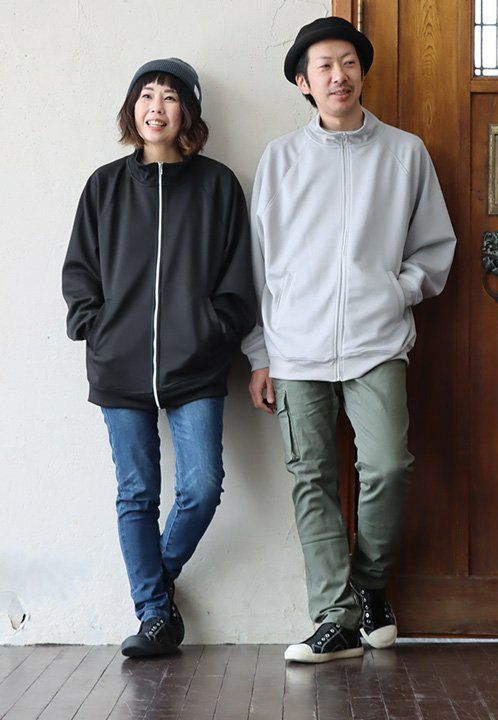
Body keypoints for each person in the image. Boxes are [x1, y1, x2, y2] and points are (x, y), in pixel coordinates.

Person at [242, 17, 456, 663]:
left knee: (388, 465)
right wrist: (260, 353)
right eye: (324, 67)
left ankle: (369, 584)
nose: (338, 76)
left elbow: (434, 248)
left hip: (376, 341)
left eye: (348, 63)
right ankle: (334, 619)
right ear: (303, 83)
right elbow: (257, 265)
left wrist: (393, 291)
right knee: (311, 476)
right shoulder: (280, 158)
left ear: (362, 72)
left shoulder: (405, 153)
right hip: (295, 345)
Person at [62, 58, 255, 658]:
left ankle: (154, 592)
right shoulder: (104, 186)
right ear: (132, 109)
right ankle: (155, 617)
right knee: (136, 494)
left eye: (169, 97)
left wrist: (216, 330)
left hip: (196, 367)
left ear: (187, 112)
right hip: (119, 369)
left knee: (202, 487)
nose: (156, 106)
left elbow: (239, 276)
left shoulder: (218, 185)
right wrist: (94, 328)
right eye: (145, 95)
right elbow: (79, 271)